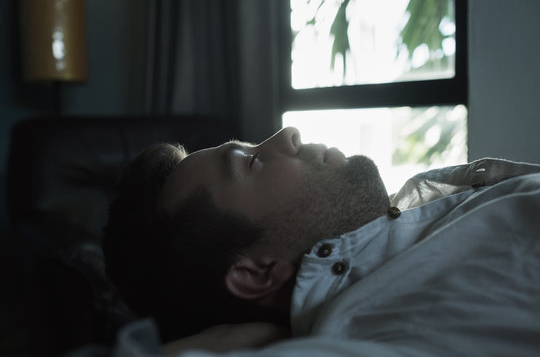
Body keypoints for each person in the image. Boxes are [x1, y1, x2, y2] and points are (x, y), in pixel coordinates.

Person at [102, 127, 540, 356]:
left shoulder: (421, 228)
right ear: (257, 271)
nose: (288, 135)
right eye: (251, 162)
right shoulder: (384, 325)